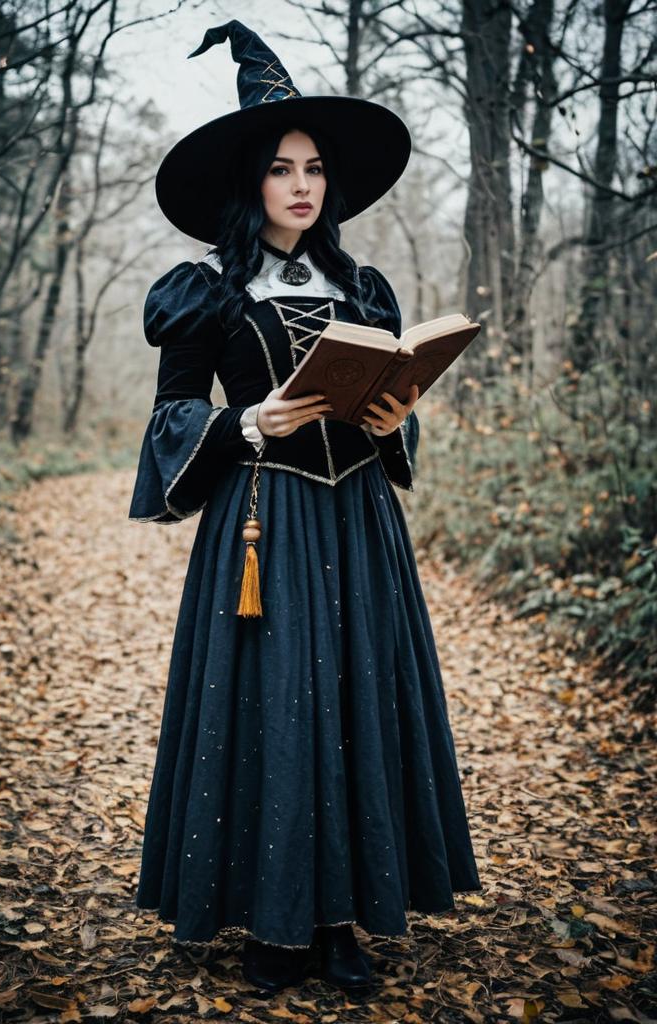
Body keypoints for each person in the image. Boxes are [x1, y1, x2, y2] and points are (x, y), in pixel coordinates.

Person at [128, 20, 482, 998]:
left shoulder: (362, 287)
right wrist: (247, 421)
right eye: (282, 166)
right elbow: (171, 419)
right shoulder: (204, 292)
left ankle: (346, 920)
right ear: (251, 181)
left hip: (359, 524)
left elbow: (391, 415)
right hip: (263, 523)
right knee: (277, 707)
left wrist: (391, 413)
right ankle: (271, 923)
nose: (301, 183)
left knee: (356, 703)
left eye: (315, 167)